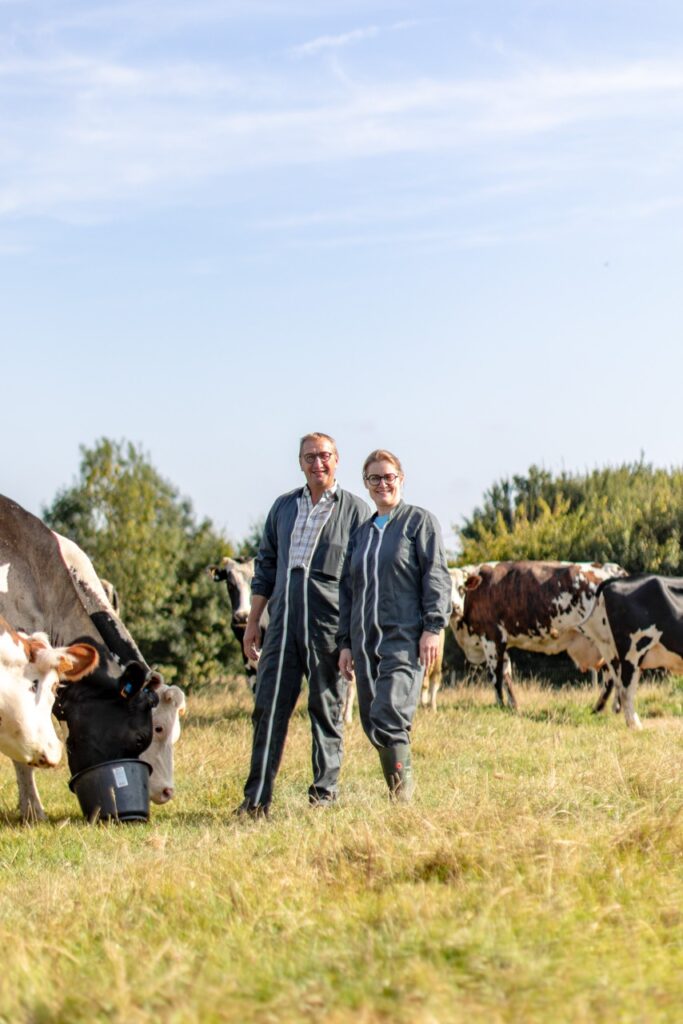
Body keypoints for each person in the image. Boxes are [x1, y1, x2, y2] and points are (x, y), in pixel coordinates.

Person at [237, 432, 370, 817]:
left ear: (337, 460)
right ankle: (256, 799)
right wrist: (252, 624)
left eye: (325, 456)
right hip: (282, 624)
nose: (318, 463)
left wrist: (351, 639)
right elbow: (264, 568)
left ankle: (323, 797)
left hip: (328, 623)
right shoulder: (283, 507)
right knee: (268, 707)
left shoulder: (355, 511)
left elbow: (359, 580)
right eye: (310, 457)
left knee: (326, 708)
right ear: (300, 463)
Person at [337, 449, 452, 801]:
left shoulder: (419, 522)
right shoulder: (361, 534)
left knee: (389, 713)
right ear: (367, 486)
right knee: (374, 720)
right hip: (364, 641)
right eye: (375, 478)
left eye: (389, 477)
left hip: (404, 638)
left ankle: (403, 803)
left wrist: (433, 627)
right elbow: (347, 591)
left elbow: (437, 577)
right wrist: (345, 643)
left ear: (402, 479)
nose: (383, 483)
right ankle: (398, 791)